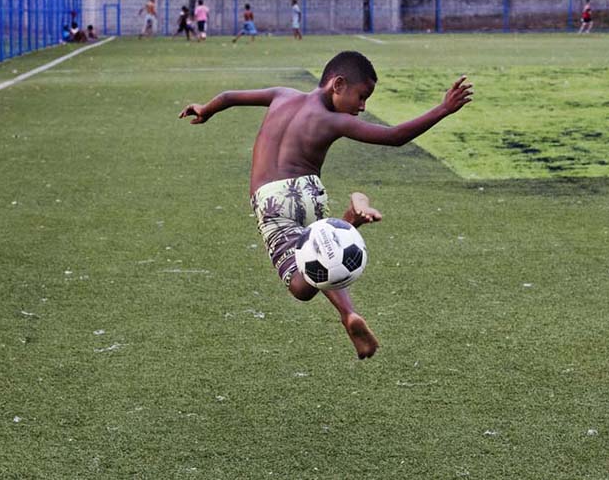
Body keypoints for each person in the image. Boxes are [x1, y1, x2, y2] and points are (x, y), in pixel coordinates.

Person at [178, 51, 473, 360]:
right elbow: (394, 137)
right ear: (338, 84)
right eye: (361, 97)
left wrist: (206, 109)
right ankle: (349, 311)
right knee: (321, 256)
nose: (362, 106)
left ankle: (349, 221)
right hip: (309, 193)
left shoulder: (282, 95)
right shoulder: (333, 121)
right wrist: (443, 109)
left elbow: (228, 96)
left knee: (300, 286)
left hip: (272, 201)